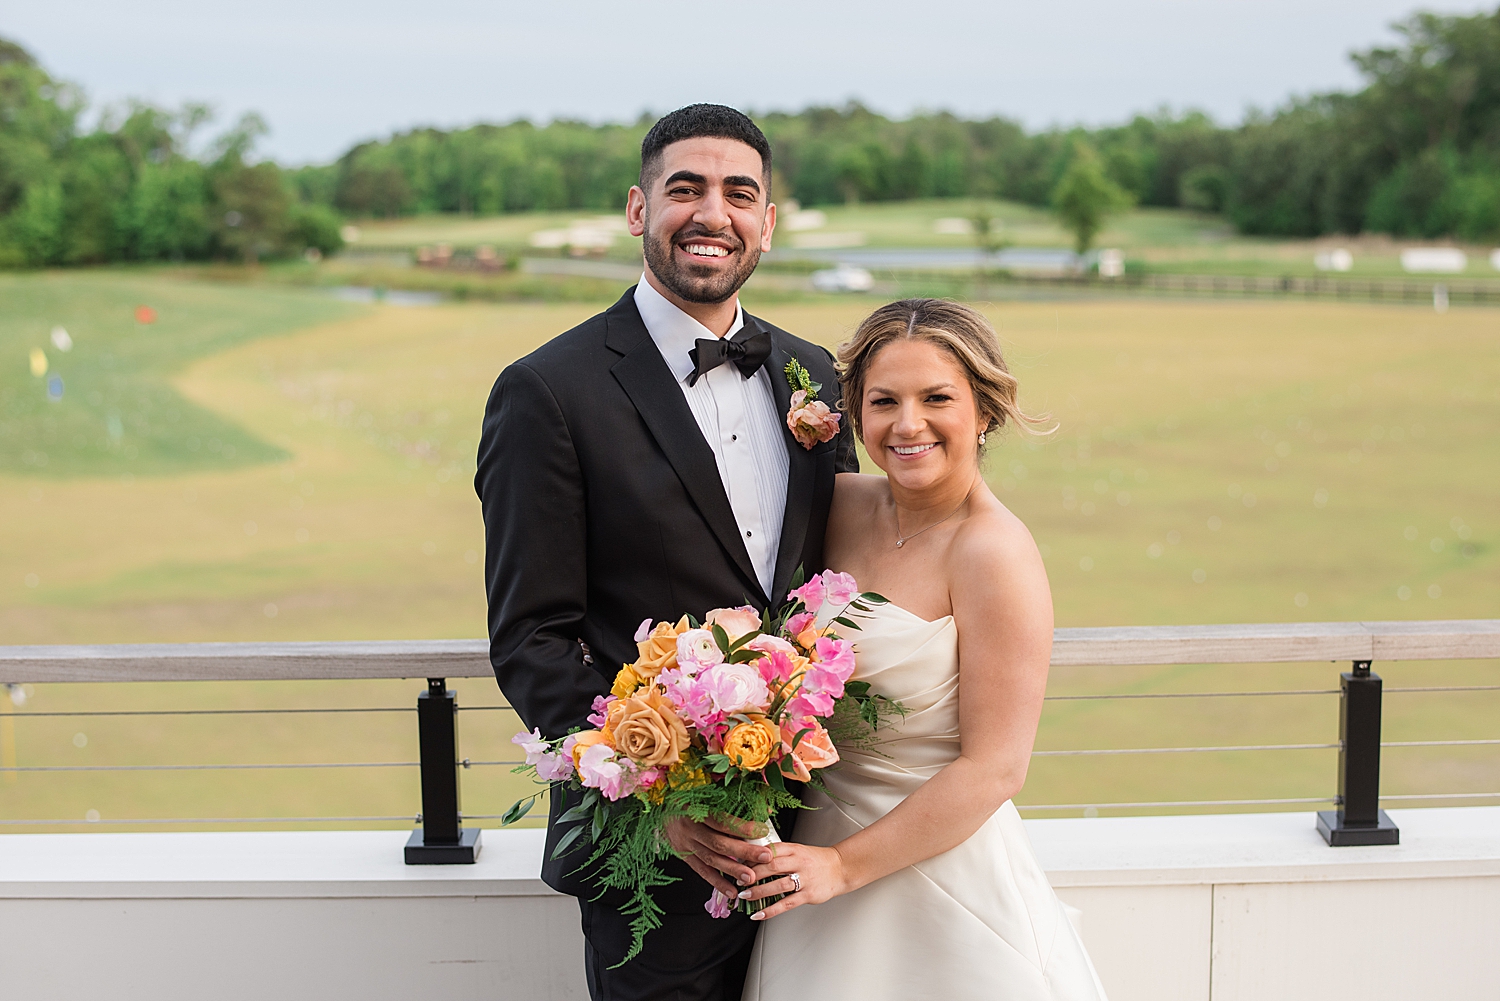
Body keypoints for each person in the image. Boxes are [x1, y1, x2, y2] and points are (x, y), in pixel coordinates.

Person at [475, 104, 859, 1001]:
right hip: (656, 851)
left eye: (739, 193)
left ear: (767, 221)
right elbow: (531, 638)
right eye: (684, 188)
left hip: (824, 828)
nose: (711, 213)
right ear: (639, 209)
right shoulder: (546, 391)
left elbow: (843, 581)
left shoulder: (817, 377)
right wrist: (663, 799)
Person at [740, 299, 1109, 1000]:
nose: (908, 424)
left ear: (985, 410)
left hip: (935, 879)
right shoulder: (839, 504)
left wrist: (842, 867)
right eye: (884, 401)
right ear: (855, 413)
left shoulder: (994, 553)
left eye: (937, 397)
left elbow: (995, 767)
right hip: (810, 856)